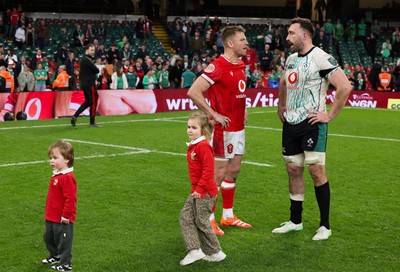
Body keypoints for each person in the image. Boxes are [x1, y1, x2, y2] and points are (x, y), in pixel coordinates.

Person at [274, 17, 352, 241]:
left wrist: (329, 115)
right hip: (291, 124)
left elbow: (344, 86)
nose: (287, 38)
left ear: (304, 35)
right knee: (293, 169)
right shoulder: (290, 59)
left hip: (312, 124)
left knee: (316, 171)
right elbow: (283, 83)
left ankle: (324, 225)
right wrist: (282, 105)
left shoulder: (321, 57)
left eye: (291, 33)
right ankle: (295, 222)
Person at [187, 25, 252, 236]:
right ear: (230, 43)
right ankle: (208, 219)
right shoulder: (218, 66)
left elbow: (237, 91)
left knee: (233, 172)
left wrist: (244, 108)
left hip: (238, 128)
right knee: (217, 175)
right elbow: (194, 91)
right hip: (223, 130)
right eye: (242, 40)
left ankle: (228, 216)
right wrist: (213, 114)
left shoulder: (241, 64)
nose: (246, 43)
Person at [179, 111, 226, 266]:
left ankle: (215, 252)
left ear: (203, 130)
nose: (189, 130)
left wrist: (199, 189)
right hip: (198, 190)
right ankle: (196, 250)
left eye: (194, 127)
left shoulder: (203, 146)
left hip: (204, 192)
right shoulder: (196, 145)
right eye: (188, 127)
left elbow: (208, 170)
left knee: (201, 222)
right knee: (186, 216)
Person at [42, 140, 76, 272]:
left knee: (64, 242)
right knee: (48, 237)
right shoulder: (58, 174)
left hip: (62, 218)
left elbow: (71, 198)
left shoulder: (67, 178)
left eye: (55, 158)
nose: (51, 161)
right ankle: (55, 256)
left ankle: (66, 264)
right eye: (50, 158)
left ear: (66, 159)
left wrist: (66, 215)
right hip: (51, 215)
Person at [70, 44, 100, 127]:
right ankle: (92, 122)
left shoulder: (84, 59)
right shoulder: (87, 59)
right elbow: (96, 70)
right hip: (90, 83)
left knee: (88, 102)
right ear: (87, 50)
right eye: (91, 50)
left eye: (93, 50)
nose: (93, 52)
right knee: (94, 101)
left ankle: (75, 116)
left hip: (85, 83)